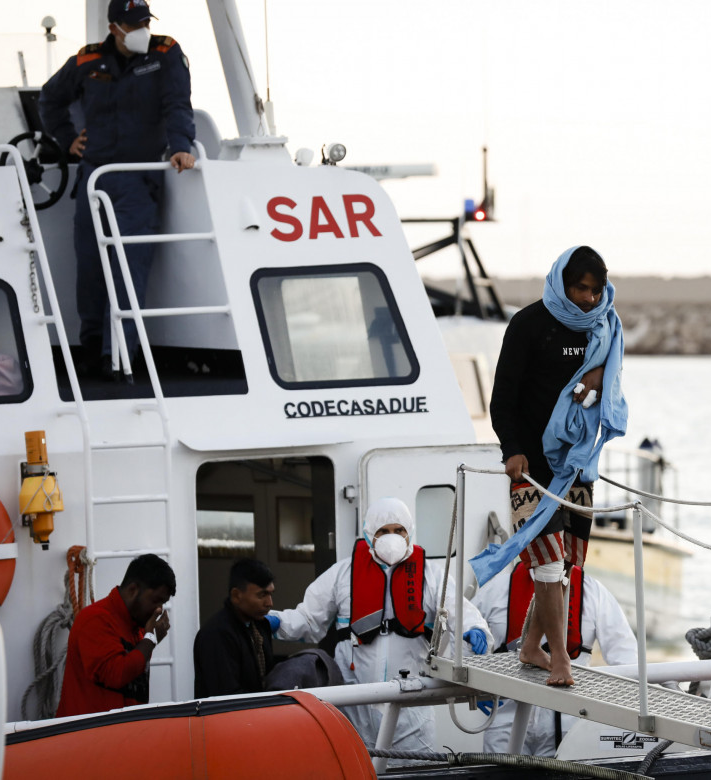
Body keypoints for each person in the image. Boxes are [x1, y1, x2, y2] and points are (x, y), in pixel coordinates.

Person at [477, 245, 627, 686]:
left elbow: (612, 374)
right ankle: (558, 656)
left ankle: (528, 644)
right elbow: (502, 397)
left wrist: (599, 377)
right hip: (530, 465)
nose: (587, 298)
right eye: (580, 288)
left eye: (595, 291)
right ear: (563, 283)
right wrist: (511, 450)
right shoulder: (528, 324)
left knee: (567, 564)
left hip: (575, 463)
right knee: (546, 562)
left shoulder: (603, 326)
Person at [38, 0, 196, 380]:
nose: (142, 27)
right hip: (94, 177)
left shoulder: (166, 52)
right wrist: (67, 140)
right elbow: (50, 99)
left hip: (137, 180)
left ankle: (119, 356)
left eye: (145, 20)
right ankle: (91, 350)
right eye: (133, 23)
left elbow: (177, 103)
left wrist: (180, 146)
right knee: (90, 269)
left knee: (128, 269)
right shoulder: (87, 61)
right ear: (115, 29)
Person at [269, 497, 491, 751]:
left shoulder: (431, 574)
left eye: (399, 530)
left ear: (410, 532)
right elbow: (308, 619)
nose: (391, 537)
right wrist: (276, 621)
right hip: (354, 704)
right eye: (383, 531)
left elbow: (460, 612)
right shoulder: (343, 573)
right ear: (368, 534)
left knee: (416, 770)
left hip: (412, 708)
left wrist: (475, 630)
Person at [474, 561, 637, 755]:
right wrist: (475, 687)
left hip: (568, 720)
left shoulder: (592, 591)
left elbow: (626, 658)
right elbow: (466, 634)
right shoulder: (497, 589)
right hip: (506, 717)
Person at [57, 553, 175, 716]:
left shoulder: (140, 629)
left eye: (163, 603)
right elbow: (116, 674)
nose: (159, 610)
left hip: (122, 736)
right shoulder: (94, 620)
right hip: (86, 738)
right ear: (133, 590)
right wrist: (150, 640)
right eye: (156, 601)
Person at [192, 558, 277, 698]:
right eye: (262, 595)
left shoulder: (261, 626)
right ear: (236, 595)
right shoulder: (216, 634)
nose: (269, 603)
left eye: (271, 594)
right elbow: (226, 696)